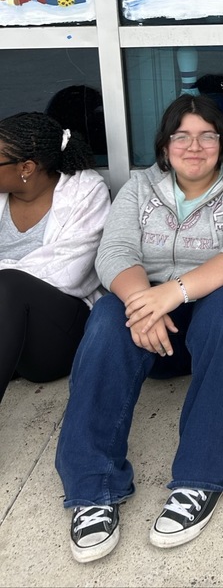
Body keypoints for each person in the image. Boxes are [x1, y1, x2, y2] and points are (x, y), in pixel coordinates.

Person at [55, 93, 223, 563]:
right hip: (155, 322)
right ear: (164, 145)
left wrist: (171, 294)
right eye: (182, 136)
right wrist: (144, 304)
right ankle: (93, 487)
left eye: (206, 136)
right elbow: (114, 252)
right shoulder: (140, 187)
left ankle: (200, 478)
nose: (194, 147)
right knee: (107, 315)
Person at [0, 112, 110, 403]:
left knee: (8, 285)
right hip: (8, 341)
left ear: (26, 167)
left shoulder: (85, 192)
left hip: (55, 336)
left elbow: (69, 273)